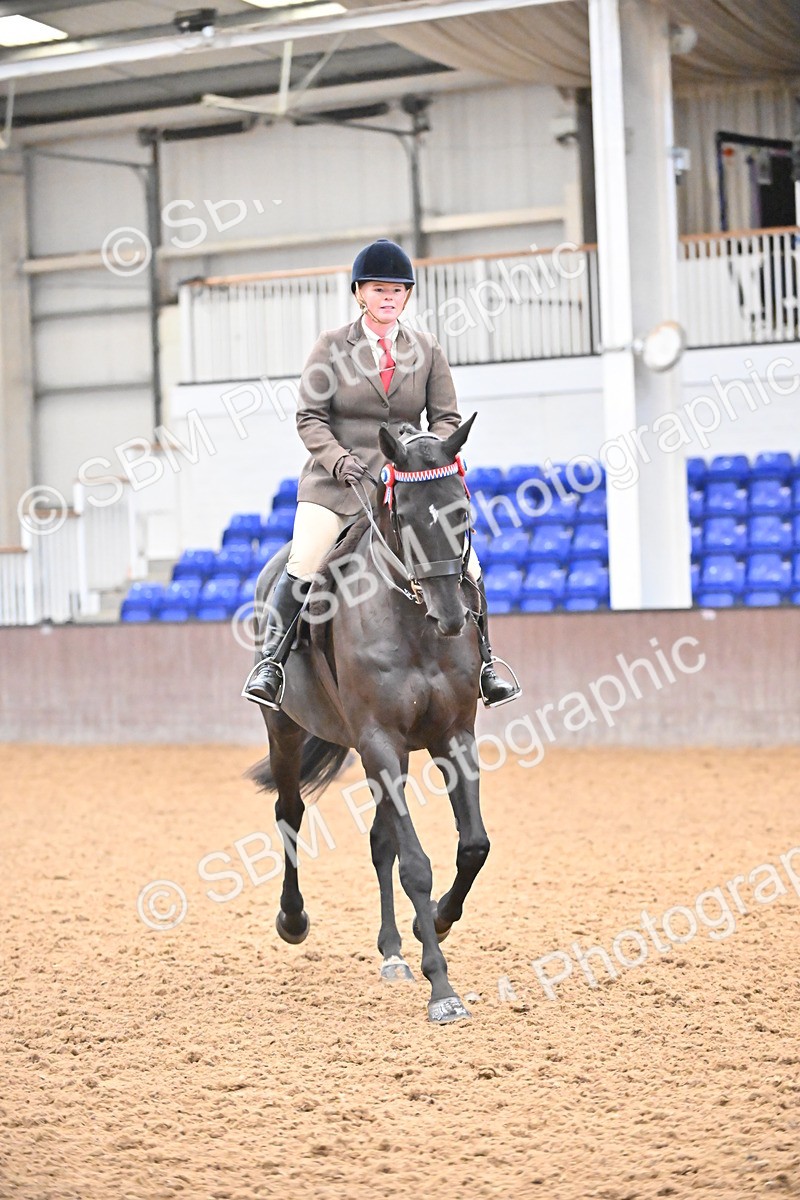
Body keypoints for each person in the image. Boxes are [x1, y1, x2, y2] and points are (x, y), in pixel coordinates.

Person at [243, 238, 521, 711]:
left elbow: (447, 419)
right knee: (306, 559)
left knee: (469, 566)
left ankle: (488, 665)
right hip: (337, 485)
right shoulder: (332, 347)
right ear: (360, 294)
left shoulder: (427, 348)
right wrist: (337, 460)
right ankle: (272, 662)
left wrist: (430, 456)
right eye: (378, 289)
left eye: (397, 289)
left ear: (407, 296)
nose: (388, 297)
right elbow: (309, 417)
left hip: (409, 488)